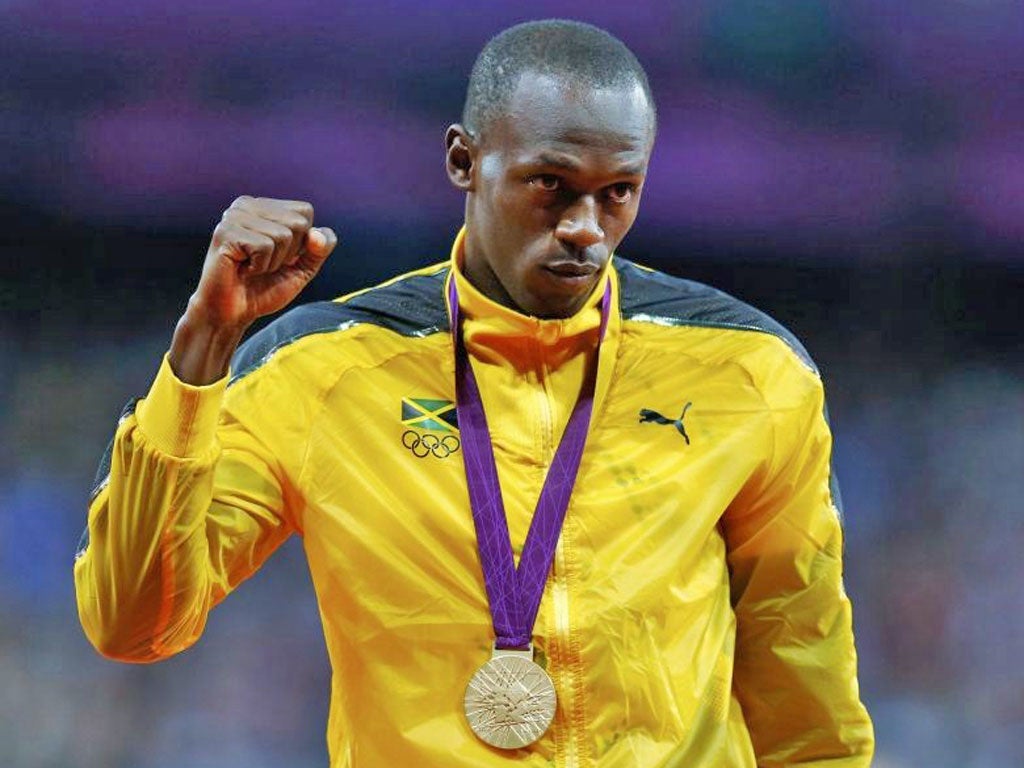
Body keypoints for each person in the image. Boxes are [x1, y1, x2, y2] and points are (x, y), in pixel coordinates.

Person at [74, 19, 874, 767]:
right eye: (551, 185)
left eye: (619, 191)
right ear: (464, 161)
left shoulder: (748, 371)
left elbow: (800, 667)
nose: (586, 228)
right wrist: (205, 346)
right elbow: (133, 622)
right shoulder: (320, 368)